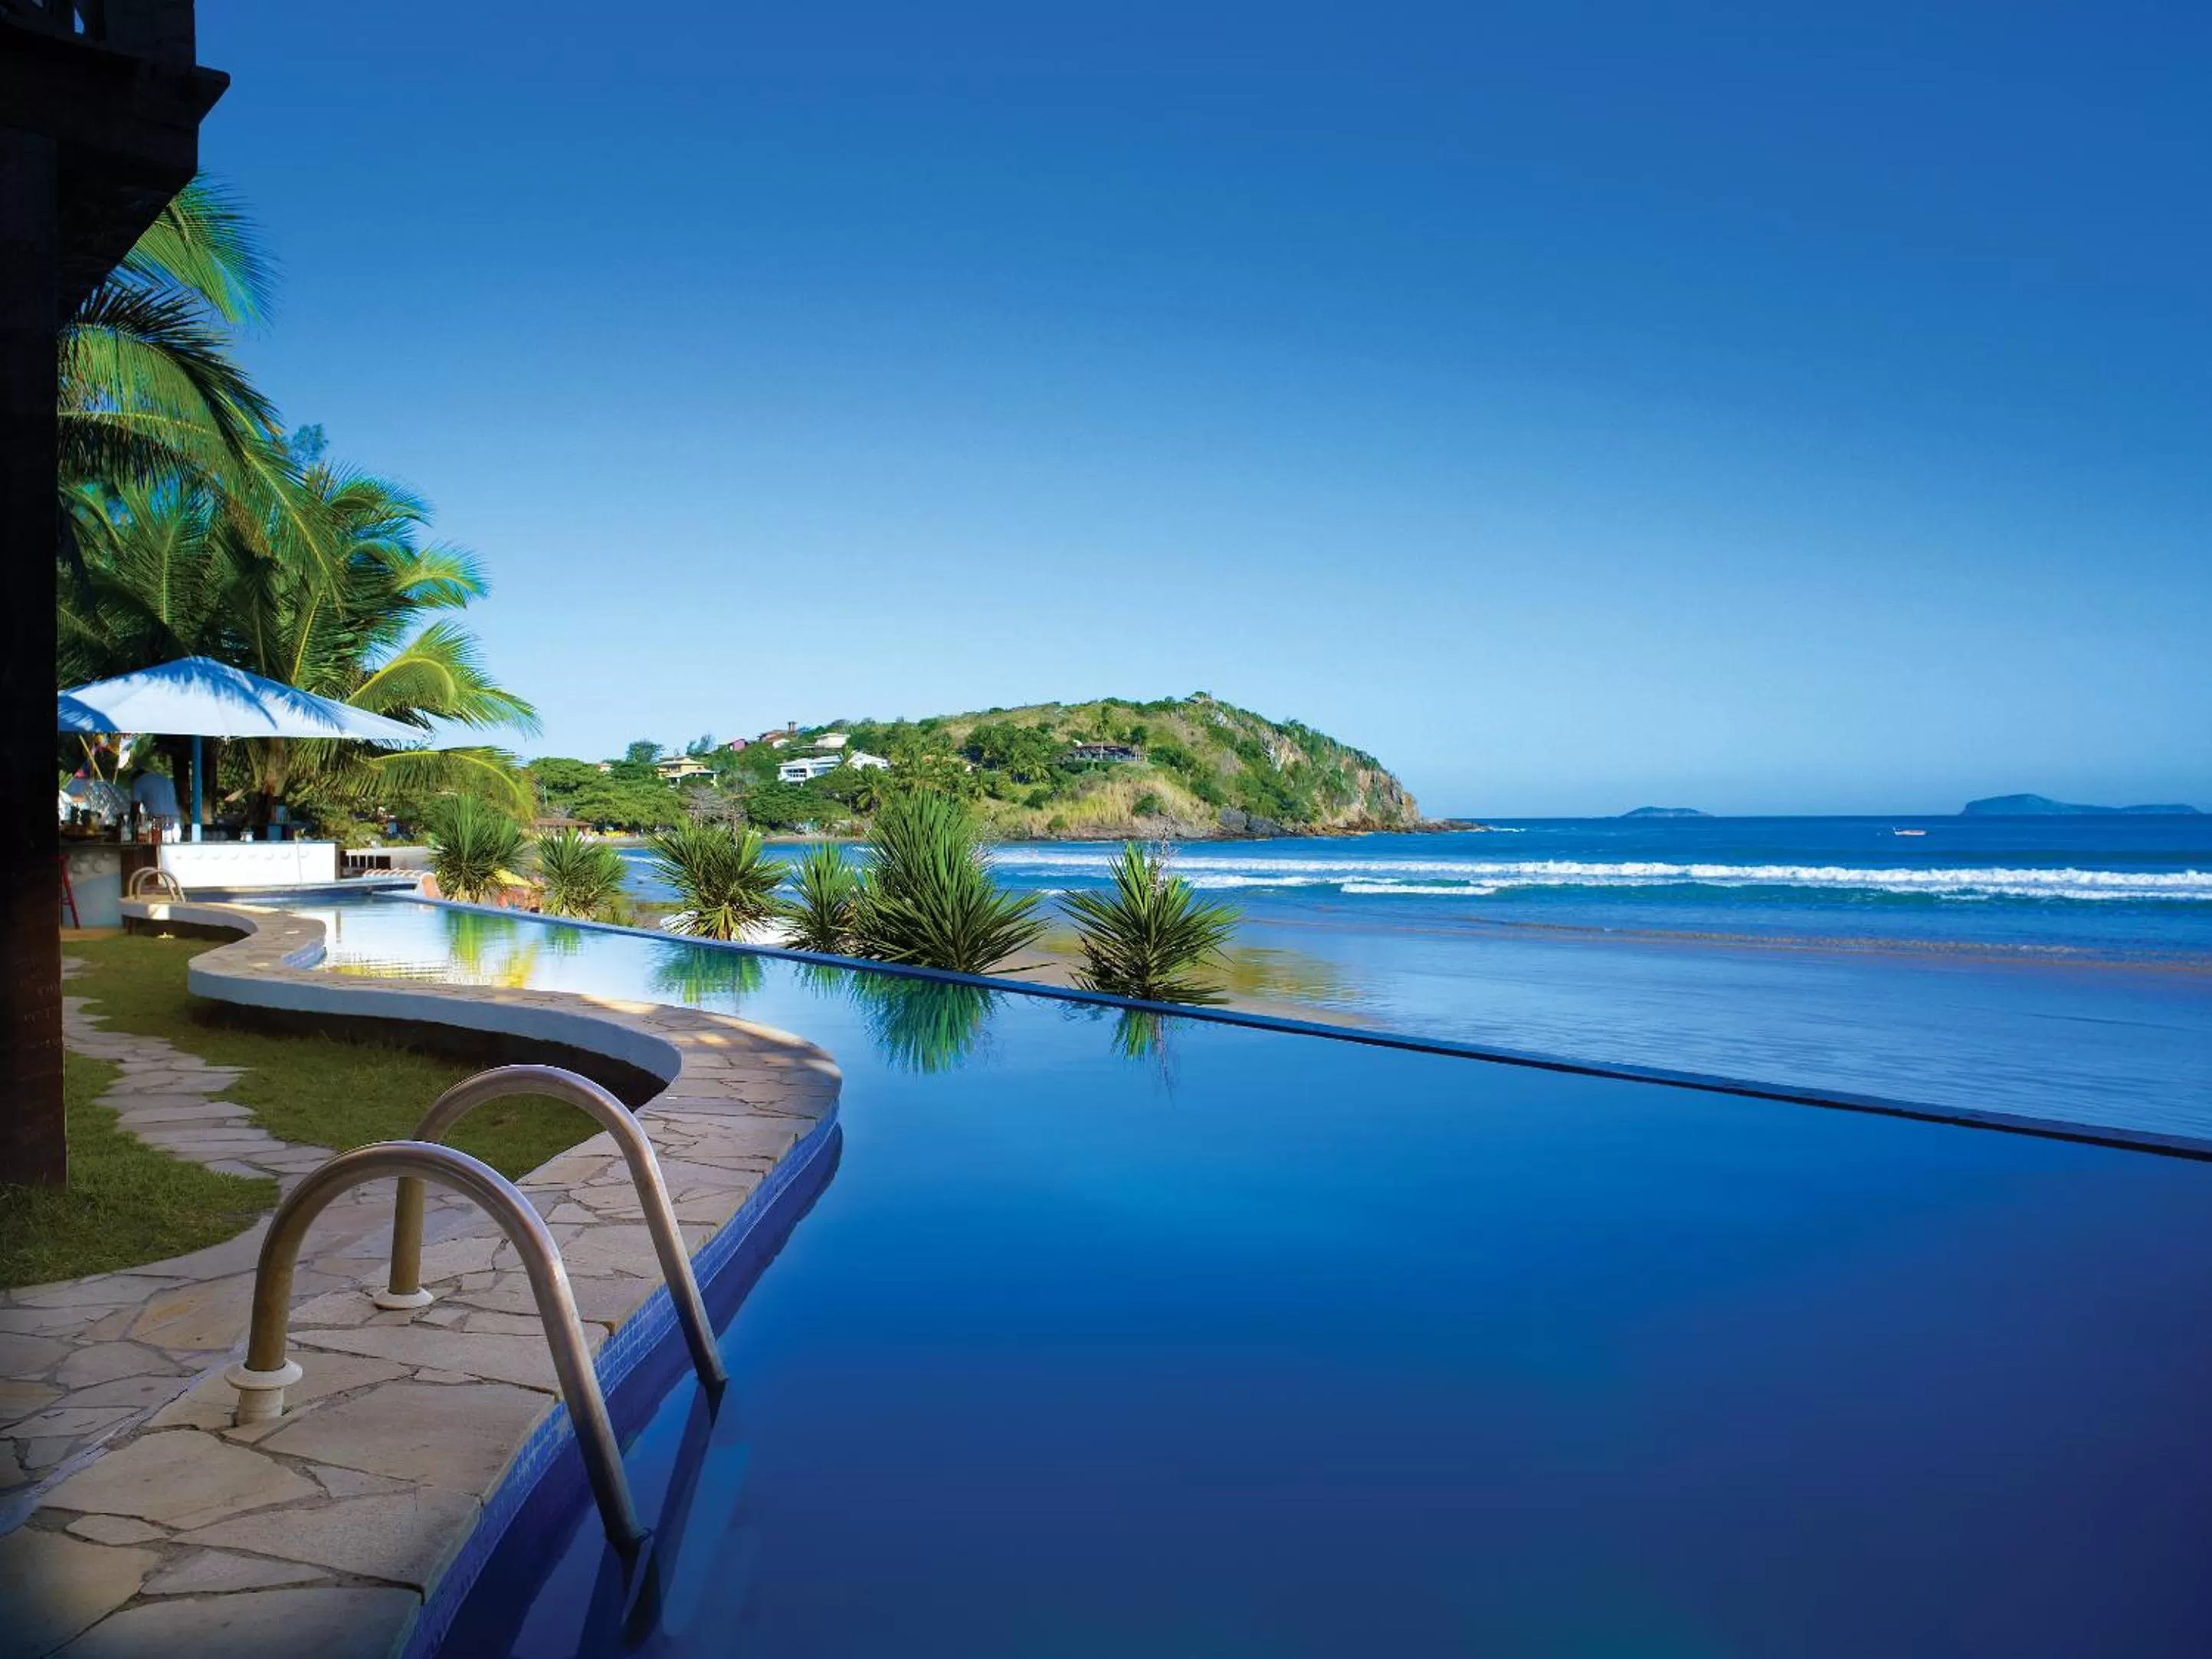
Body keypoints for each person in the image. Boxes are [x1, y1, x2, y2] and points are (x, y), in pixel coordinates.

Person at [130, 761, 181, 840]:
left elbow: (135, 810)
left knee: (156, 849)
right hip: (176, 821)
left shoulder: (138, 782)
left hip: (158, 823)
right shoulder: (164, 779)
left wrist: (133, 827)